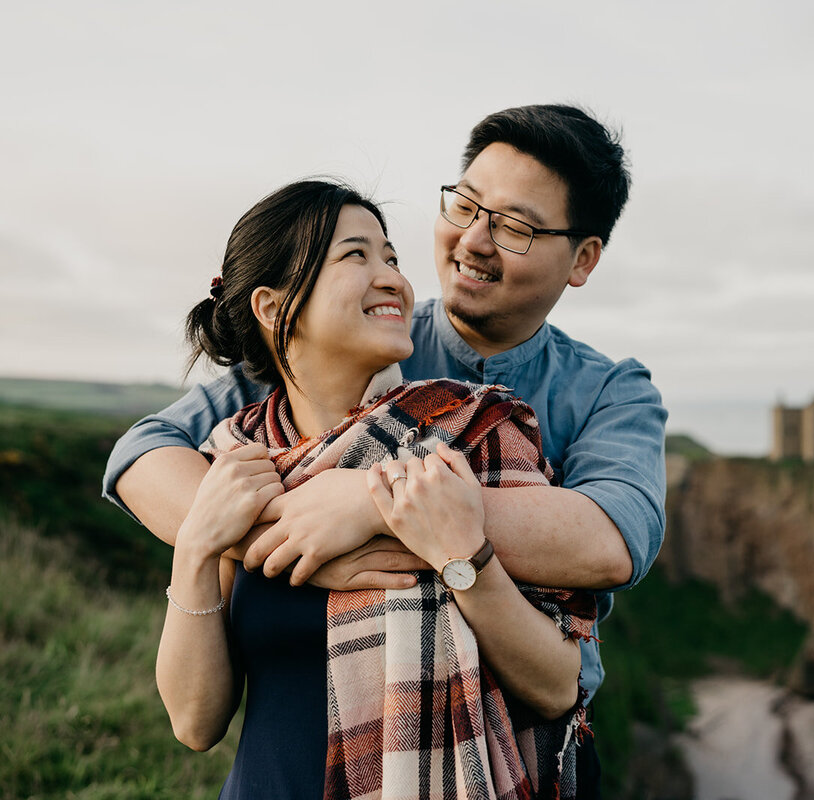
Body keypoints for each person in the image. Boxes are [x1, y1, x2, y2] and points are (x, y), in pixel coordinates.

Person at [103, 104, 668, 783]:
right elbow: (144, 453)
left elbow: (608, 541)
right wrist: (281, 541)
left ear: (582, 259)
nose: (474, 240)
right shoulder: (329, 357)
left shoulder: (604, 391)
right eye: (465, 206)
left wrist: (368, 505)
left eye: (514, 226)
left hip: (518, 757)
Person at [157, 179, 596, 798]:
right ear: (273, 306)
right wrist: (197, 545)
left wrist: (462, 556)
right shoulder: (236, 462)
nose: (393, 277)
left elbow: (558, 686)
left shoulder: (471, 437)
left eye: (391, 257)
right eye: (355, 255)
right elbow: (195, 722)